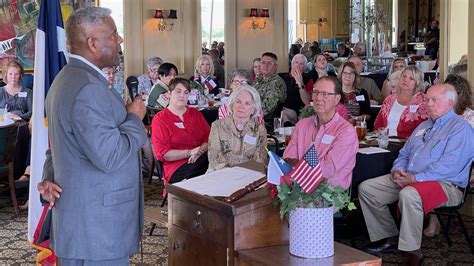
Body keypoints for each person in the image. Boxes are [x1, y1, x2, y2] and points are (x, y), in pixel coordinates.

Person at [37, 7, 147, 264]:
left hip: (83, 226)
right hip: (99, 231)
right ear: (93, 43)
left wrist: (48, 178)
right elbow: (109, 156)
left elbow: (61, 145)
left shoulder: (65, 79)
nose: (119, 40)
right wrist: (134, 118)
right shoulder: (88, 88)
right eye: (114, 34)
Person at [359, 84, 473, 265]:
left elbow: (449, 167)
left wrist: (415, 179)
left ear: (449, 103)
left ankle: (412, 251)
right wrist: (398, 169)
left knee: (410, 193)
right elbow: (404, 154)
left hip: (446, 185)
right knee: (368, 188)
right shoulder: (424, 125)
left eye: (434, 100)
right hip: (410, 178)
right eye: (427, 99)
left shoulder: (460, 129)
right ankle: (389, 237)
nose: (428, 104)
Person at [283, 76, 358, 189]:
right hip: (296, 189)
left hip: (328, 195)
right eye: (315, 92)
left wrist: (297, 167)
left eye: (325, 94)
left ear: (337, 99)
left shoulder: (346, 132)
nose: (318, 98)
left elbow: (327, 169)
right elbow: (288, 159)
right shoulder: (302, 125)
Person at [423, 74, 474, 237]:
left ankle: (432, 221)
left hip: (464, 166)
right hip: (441, 162)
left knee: (434, 171)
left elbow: (463, 154)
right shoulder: (438, 115)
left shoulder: (469, 118)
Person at [151, 78, 210, 187]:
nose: (182, 95)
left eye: (186, 92)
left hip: (200, 159)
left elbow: (209, 138)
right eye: (178, 91)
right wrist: (189, 152)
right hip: (176, 167)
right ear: (169, 94)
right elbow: (163, 154)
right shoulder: (160, 119)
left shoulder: (195, 114)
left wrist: (199, 152)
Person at [208, 85, 267, 171]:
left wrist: (245, 174)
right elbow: (214, 156)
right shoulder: (217, 126)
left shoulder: (259, 130)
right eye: (238, 102)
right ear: (232, 104)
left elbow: (260, 159)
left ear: (253, 109)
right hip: (220, 173)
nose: (241, 106)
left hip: (249, 173)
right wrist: (231, 173)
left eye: (247, 103)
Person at [374, 66, 428, 139]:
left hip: (407, 143)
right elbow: (378, 125)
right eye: (404, 76)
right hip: (384, 140)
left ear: (417, 83)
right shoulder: (390, 99)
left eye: (411, 78)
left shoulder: (423, 101)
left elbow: (423, 130)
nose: (405, 80)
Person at [253, 52, 287, 131]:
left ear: (275, 67)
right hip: (252, 117)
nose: (265, 65)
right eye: (263, 62)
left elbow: (266, 109)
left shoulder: (276, 82)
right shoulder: (259, 80)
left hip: (265, 123)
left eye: (269, 63)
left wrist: (247, 113)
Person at [281, 54, 312, 125]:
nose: (298, 66)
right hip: (282, 110)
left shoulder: (308, 80)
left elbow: (307, 102)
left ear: (304, 67)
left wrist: (300, 84)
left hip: (298, 113)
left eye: (301, 64)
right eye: (296, 62)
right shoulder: (282, 77)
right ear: (292, 64)